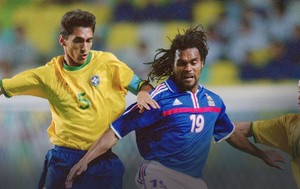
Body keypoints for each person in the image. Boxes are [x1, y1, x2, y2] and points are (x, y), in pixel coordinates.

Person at [65, 25, 285, 189]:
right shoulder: (157, 99)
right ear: (174, 65)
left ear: (202, 64)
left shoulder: (213, 102)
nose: (187, 68)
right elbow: (116, 130)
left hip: (193, 183)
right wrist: (85, 160)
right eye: (181, 63)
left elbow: (230, 134)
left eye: (193, 62)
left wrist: (261, 154)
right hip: (157, 173)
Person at [0, 9, 158, 189]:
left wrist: (144, 92)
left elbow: (142, 85)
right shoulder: (47, 75)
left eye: (88, 40)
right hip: (64, 160)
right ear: (63, 41)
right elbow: (4, 86)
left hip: (102, 159)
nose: (84, 47)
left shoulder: (108, 63)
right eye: (78, 40)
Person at [234, 80, 300, 188]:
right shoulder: (290, 124)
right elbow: (241, 129)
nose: (298, 96)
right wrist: (206, 124)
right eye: (299, 90)